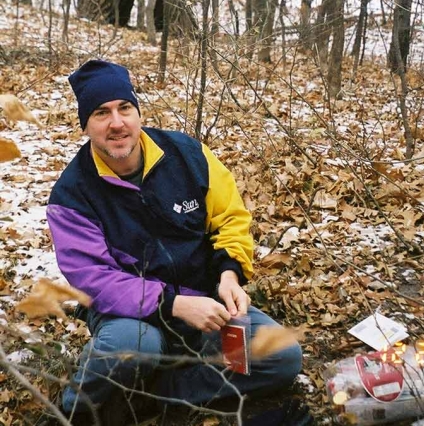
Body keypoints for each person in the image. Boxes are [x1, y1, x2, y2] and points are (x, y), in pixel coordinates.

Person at [46, 59, 303, 425]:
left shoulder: (188, 155)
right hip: (130, 316)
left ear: (137, 112)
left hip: (208, 305)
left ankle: (157, 399)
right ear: (85, 124)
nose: (116, 123)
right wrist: (173, 304)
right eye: (101, 113)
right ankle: (72, 412)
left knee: (282, 357)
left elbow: (230, 218)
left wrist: (229, 274)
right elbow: (94, 278)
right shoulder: (71, 195)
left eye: (125, 108)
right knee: (132, 346)